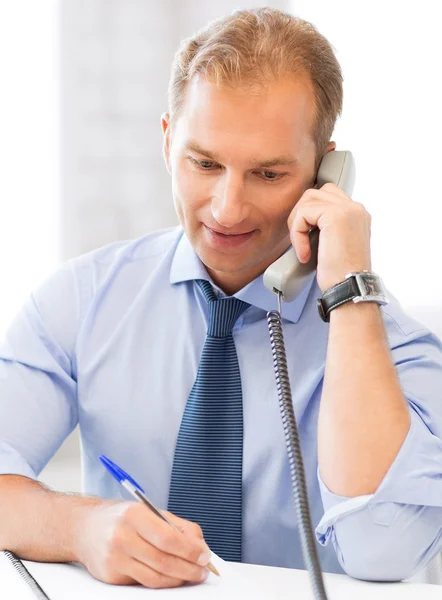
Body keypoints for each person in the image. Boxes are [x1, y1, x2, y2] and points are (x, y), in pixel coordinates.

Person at [1, 6, 442, 590]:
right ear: (166, 143)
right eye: (204, 163)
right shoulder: (83, 300)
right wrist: (80, 526)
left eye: (267, 174)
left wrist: (351, 291)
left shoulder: (395, 350)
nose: (227, 209)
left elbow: (385, 555)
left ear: (325, 172)